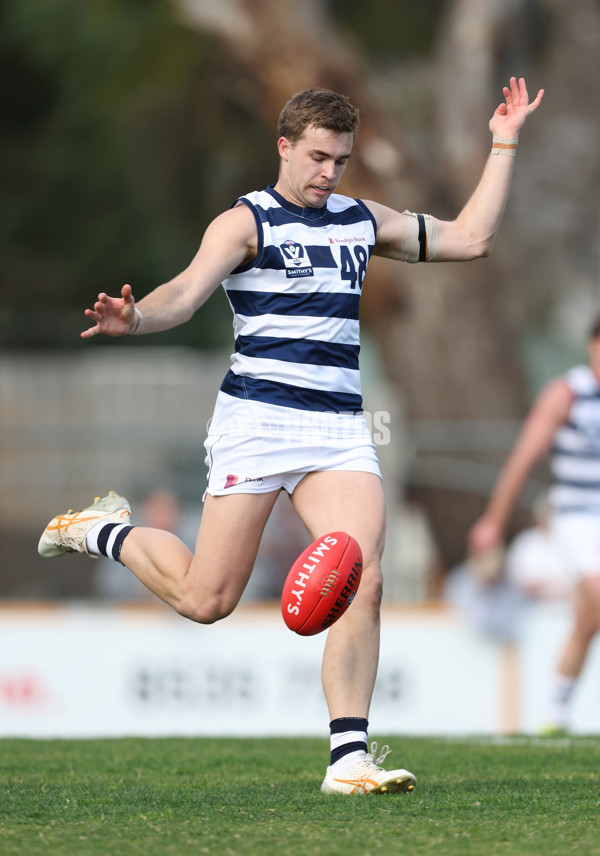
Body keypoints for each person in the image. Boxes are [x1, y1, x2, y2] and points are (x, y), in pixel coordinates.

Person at [39, 78, 543, 792]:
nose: (328, 173)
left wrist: (504, 141)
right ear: (283, 146)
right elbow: (182, 294)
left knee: (361, 578)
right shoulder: (245, 224)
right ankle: (101, 529)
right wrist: (138, 318)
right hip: (256, 426)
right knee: (205, 600)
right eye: (315, 157)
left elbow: (470, 239)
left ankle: (349, 760)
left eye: (340, 160)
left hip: (339, 431)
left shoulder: (360, 219)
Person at [468, 317, 600, 733]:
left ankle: (557, 710)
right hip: (579, 515)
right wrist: (493, 521)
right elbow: (522, 461)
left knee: (588, 617)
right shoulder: (567, 395)